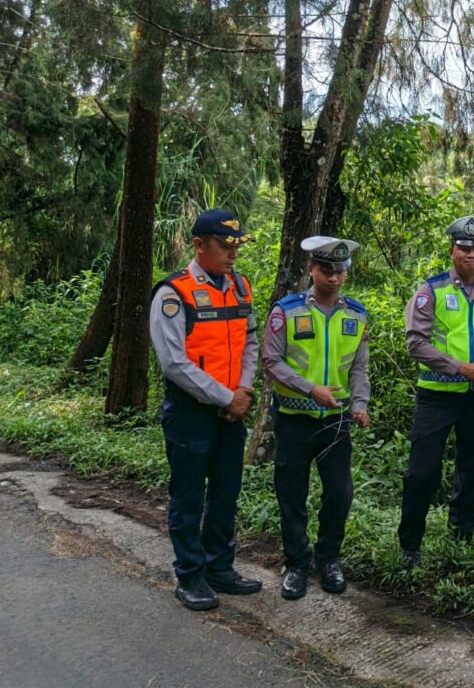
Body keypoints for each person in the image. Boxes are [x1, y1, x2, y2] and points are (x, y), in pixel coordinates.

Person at [149, 209, 263, 611]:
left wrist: (242, 391)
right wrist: (225, 397)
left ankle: (219, 567)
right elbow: (173, 363)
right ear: (199, 245)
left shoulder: (240, 287)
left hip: (232, 410)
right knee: (189, 495)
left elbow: (250, 342)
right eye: (224, 246)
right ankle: (190, 575)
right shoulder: (173, 293)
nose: (233, 254)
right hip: (191, 413)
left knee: (226, 493)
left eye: (237, 246)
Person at [262, 236, 371, 601]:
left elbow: (359, 366)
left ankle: (328, 559)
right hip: (294, 419)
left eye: (340, 271)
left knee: (340, 493)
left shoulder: (356, 314)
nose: (333, 277)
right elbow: (271, 361)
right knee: (292, 494)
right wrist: (310, 389)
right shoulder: (286, 310)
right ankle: (296, 564)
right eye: (326, 270)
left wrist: (361, 403)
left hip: (335, 421)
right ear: (311, 270)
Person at [397, 215, 474, 570]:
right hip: (437, 397)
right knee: (422, 473)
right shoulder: (431, 291)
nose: (470, 254)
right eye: (463, 248)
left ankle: (460, 542)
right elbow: (416, 344)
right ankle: (410, 546)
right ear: (452, 251)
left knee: (472, 472)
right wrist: (461, 368)